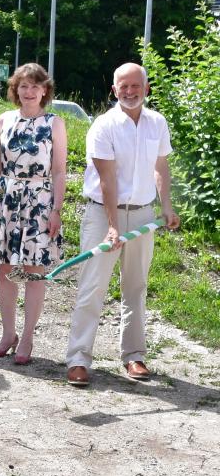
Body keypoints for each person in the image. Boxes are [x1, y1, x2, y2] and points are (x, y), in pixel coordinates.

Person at [66, 62, 180, 387]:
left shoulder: (157, 123)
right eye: (123, 87)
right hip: (104, 213)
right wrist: (113, 227)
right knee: (92, 287)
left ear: (146, 89)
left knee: (136, 287)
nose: (129, 92)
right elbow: (107, 181)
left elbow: (160, 167)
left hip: (144, 215)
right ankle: (78, 360)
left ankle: (134, 356)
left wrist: (167, 207)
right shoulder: (103, 126)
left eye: (135, 86)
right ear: (114, 90)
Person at [0, 63, 66, 365]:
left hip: (39, 200)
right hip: (6, 200)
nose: (29, 92)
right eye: (23, 86)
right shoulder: (5, 119)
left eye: (35, 86)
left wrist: (56, 210)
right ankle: (7, 333)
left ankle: (27, 337)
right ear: (15, 89)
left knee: (34, 272)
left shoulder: (55, 123)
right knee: (5, 270)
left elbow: (60, 170)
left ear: (44, 90)